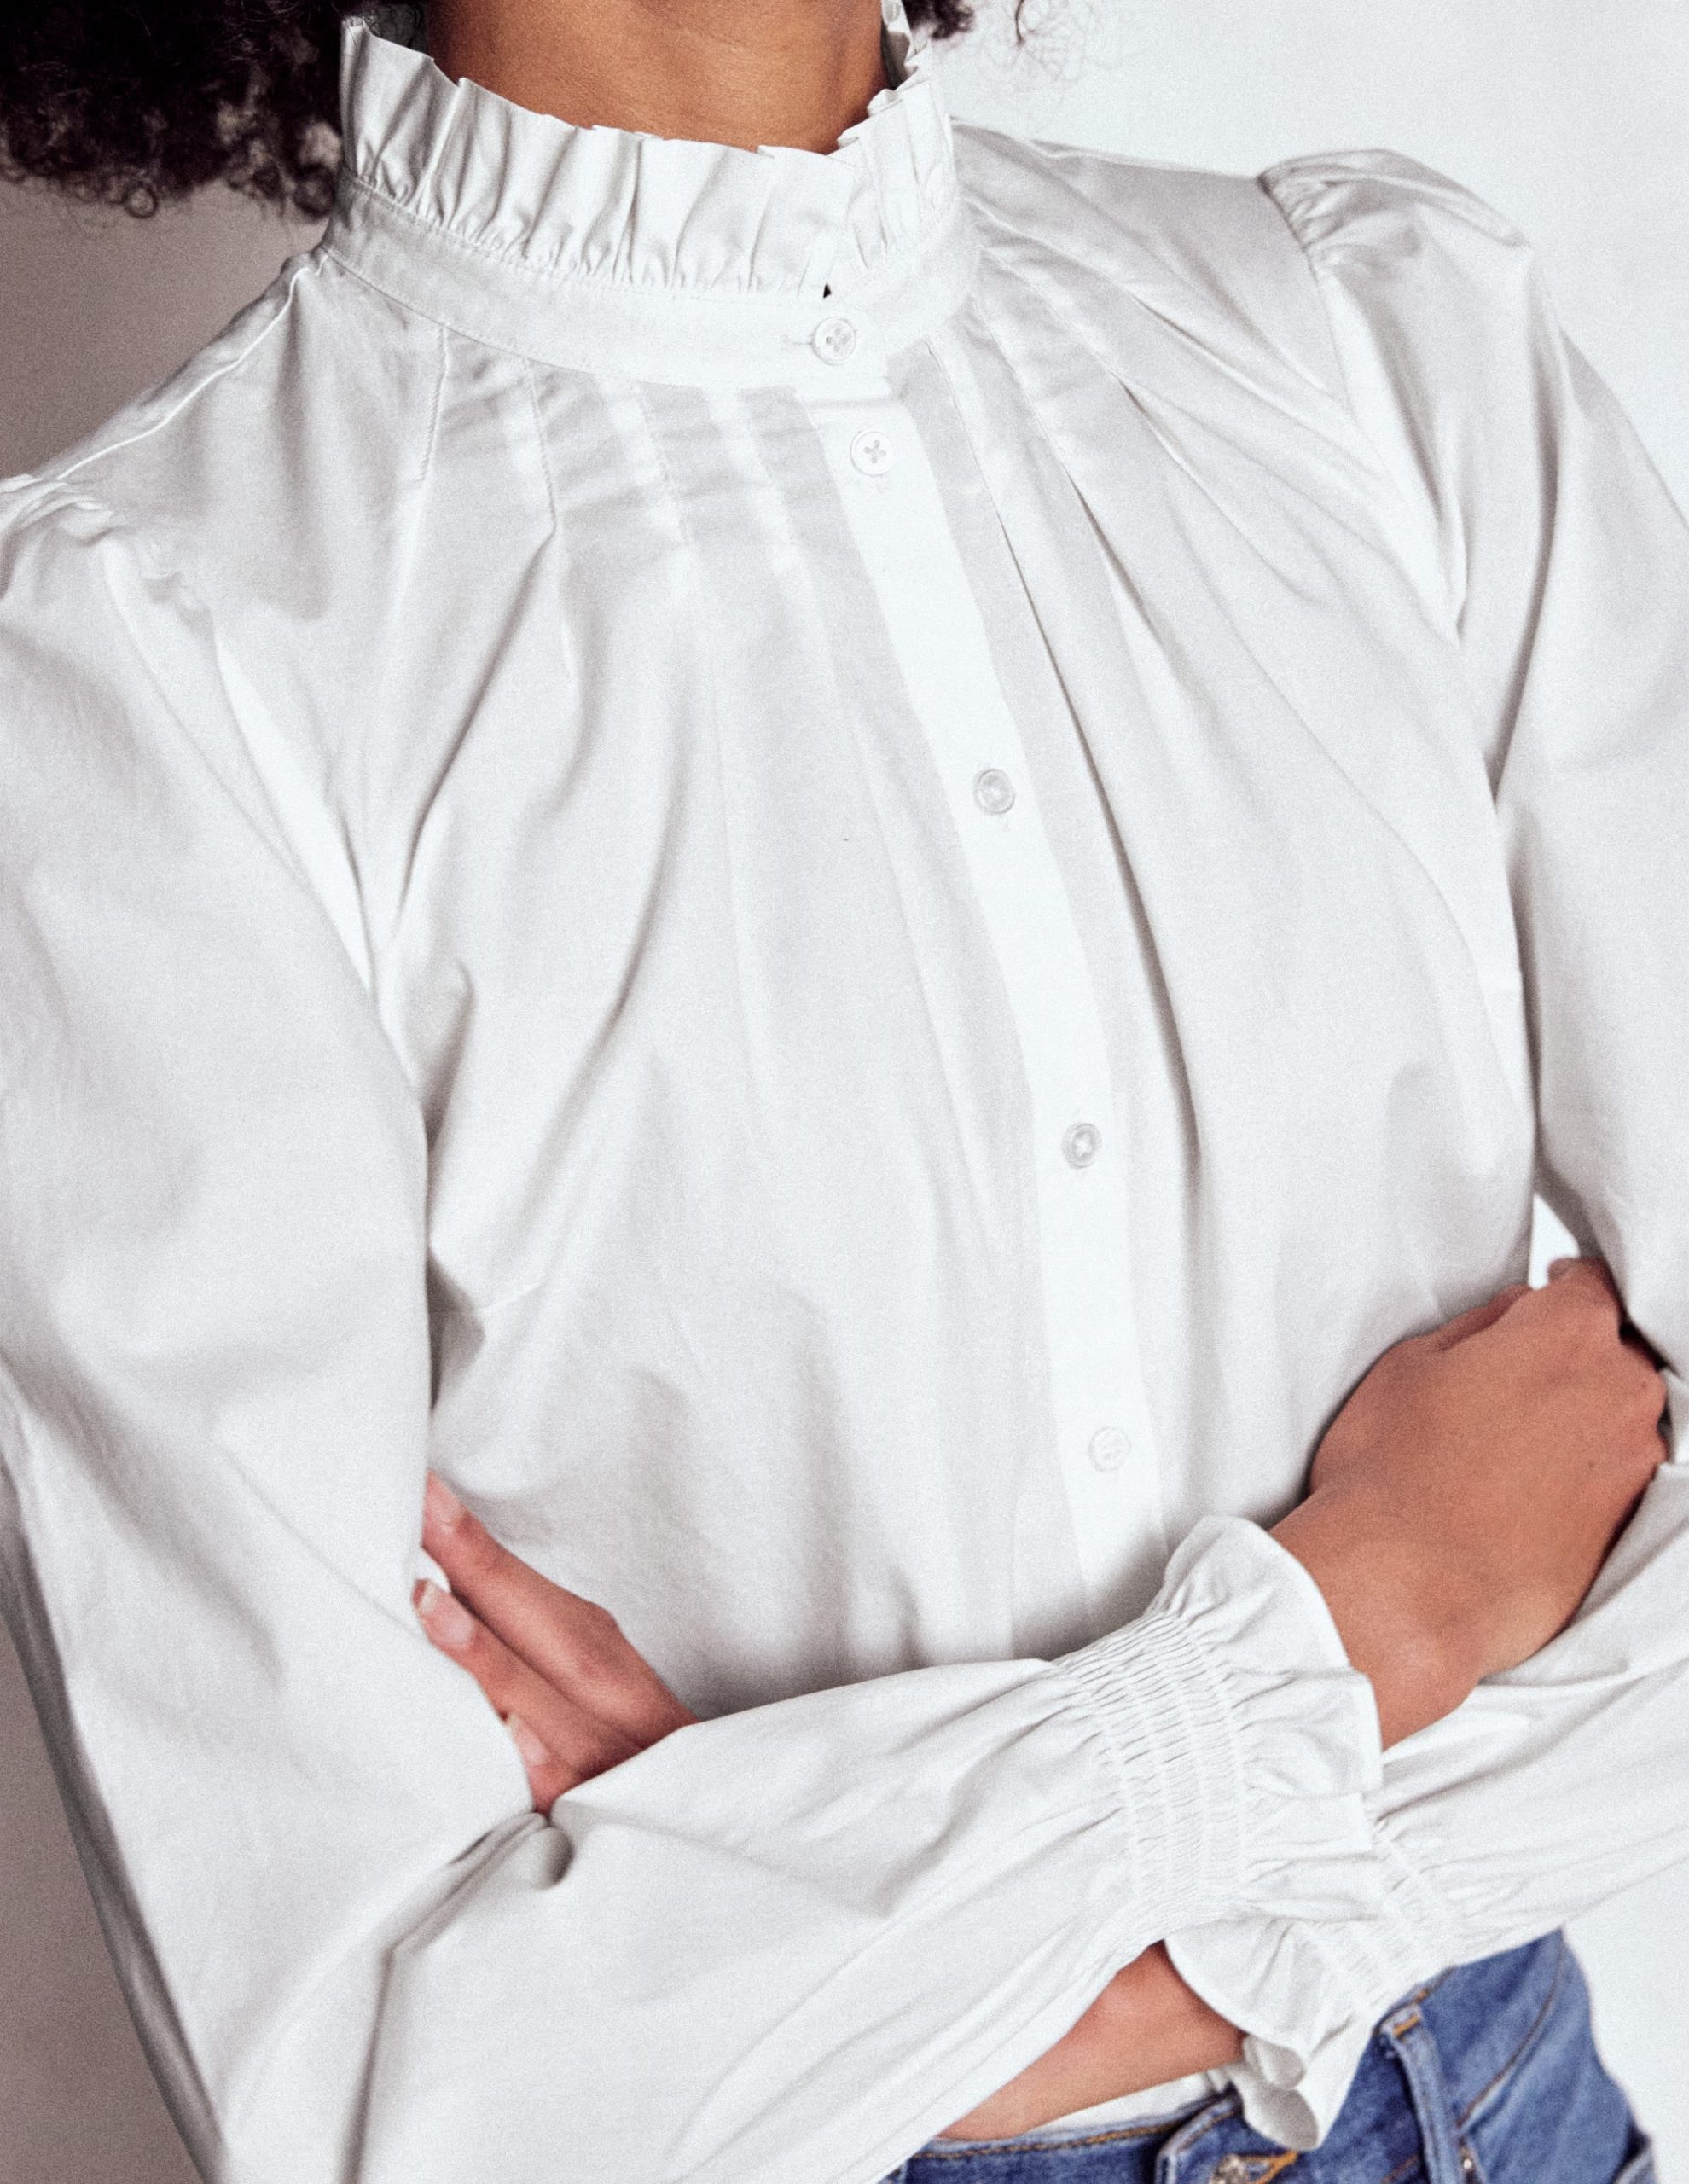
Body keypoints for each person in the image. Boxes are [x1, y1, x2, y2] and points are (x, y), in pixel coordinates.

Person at [0, 1, 1683, 2179]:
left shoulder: (1383, 346)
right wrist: (1378, 1608)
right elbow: (390, 2101)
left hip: (1517, 2109)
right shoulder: (152, 653)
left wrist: (867, 1956)